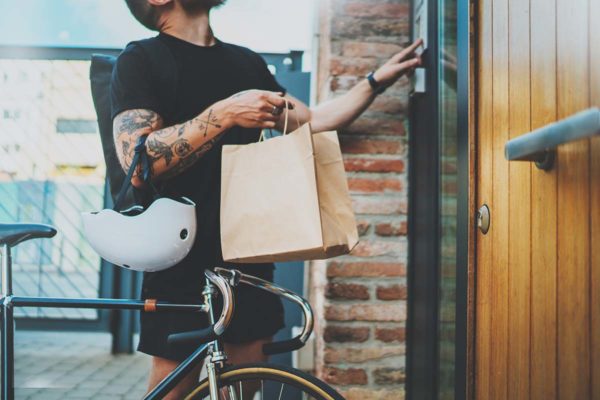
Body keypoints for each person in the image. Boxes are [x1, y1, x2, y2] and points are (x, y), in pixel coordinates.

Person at [113, 0, 422, 398]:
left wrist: (375, 81)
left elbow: (314, 121)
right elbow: (138, 163)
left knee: (247, 381)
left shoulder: (246, 64)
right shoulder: (140, 59)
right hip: (179, 252)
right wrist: (225, 114)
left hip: (250, 248)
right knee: (176, 384)